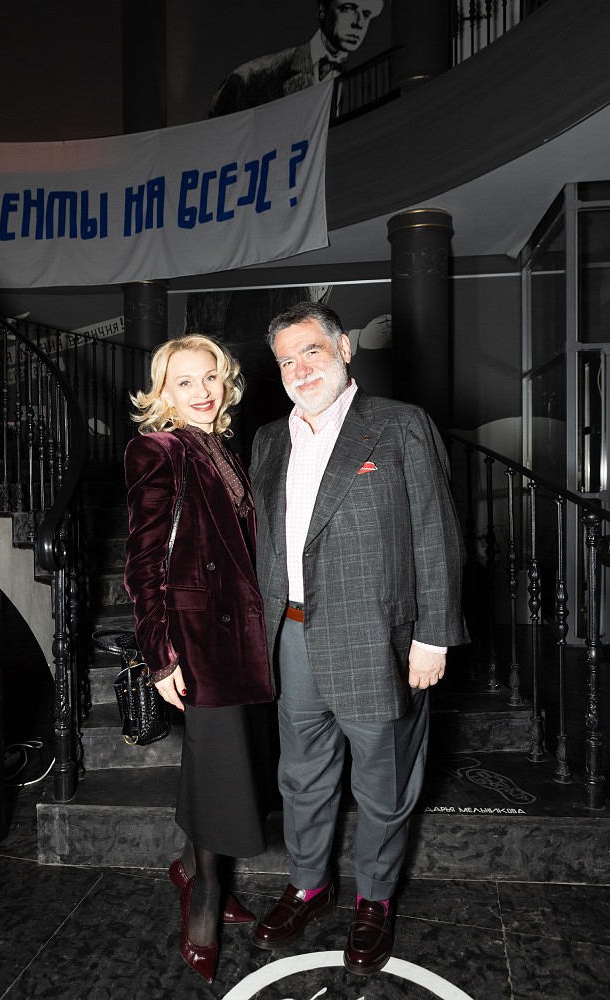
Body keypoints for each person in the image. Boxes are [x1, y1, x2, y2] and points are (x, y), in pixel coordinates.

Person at [249, 301, 468, 975]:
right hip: (290, 635)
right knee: (301, 776)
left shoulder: (399, 424)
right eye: (286, 360)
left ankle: (374, 898)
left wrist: (432, 636)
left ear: (344, 348)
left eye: (311, 351)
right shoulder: (267, 440)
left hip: (378, 641)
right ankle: (308, 885)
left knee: (383, 782)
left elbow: (435, 532)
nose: (299, 369)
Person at [123, 334, 274, 984]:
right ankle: (205, 903)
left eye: (210, 376)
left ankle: (189, 867)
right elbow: (142, 561)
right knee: (222, 770)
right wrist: (160, 654)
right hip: (197, 638)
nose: (202, 391)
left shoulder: (226, 450)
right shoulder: (157, 449)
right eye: (184, 381)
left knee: (224, 766)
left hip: (244, 634)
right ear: (162, 394)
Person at [210, 0, 385, 117]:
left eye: (366, 14)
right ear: (322, 10)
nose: (359, 23)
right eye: (348, 8)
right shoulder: (246, 80)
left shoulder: (361, 85)